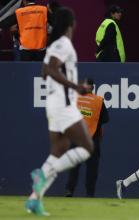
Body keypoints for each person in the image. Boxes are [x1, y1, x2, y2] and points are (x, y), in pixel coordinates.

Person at [24, 7, 94, 216]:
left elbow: (45, 71)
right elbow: (52, 69)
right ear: (71, 23)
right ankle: (43, 176)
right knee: (87, 147)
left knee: (59, 150)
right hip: (63, 105)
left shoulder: (54, 45)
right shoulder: (63, 44)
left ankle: (34, 200)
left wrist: (68, 85)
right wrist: (75, 87)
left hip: (55, 104)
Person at [65, 78, 110, 198]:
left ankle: (69, 190)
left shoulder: (76, 98)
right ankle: (90, 193)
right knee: (92, 168)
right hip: (92, 139)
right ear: (93, 88)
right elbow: (106, 119)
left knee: (74, 165)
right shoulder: (98, 101)